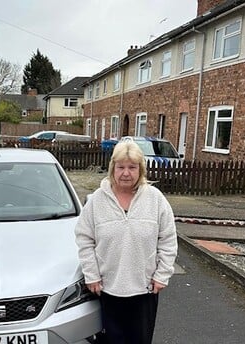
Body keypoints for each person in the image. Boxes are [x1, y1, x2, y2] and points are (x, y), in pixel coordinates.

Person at [75, 141, 177, 344]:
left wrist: (162, 275)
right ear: (113, 168)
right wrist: (92, 275)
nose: (126, 173)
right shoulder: (97, 200)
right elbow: (84, 238)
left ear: (141, 169)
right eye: (121, 167)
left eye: (132, 167)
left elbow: (168, 238)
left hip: (144, 289)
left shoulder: (155, 199)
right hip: (108, 289)